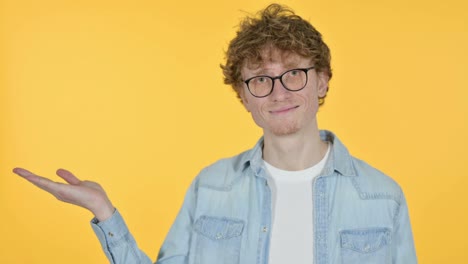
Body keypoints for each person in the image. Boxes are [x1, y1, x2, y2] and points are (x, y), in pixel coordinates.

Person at [13, 3, 417, 264]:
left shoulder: (382, 196)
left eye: (294, 73)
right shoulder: (210, 187)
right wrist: (104, 211)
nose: (278, 93)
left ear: (322, 81)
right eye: (260, 80)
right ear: (243, 95)